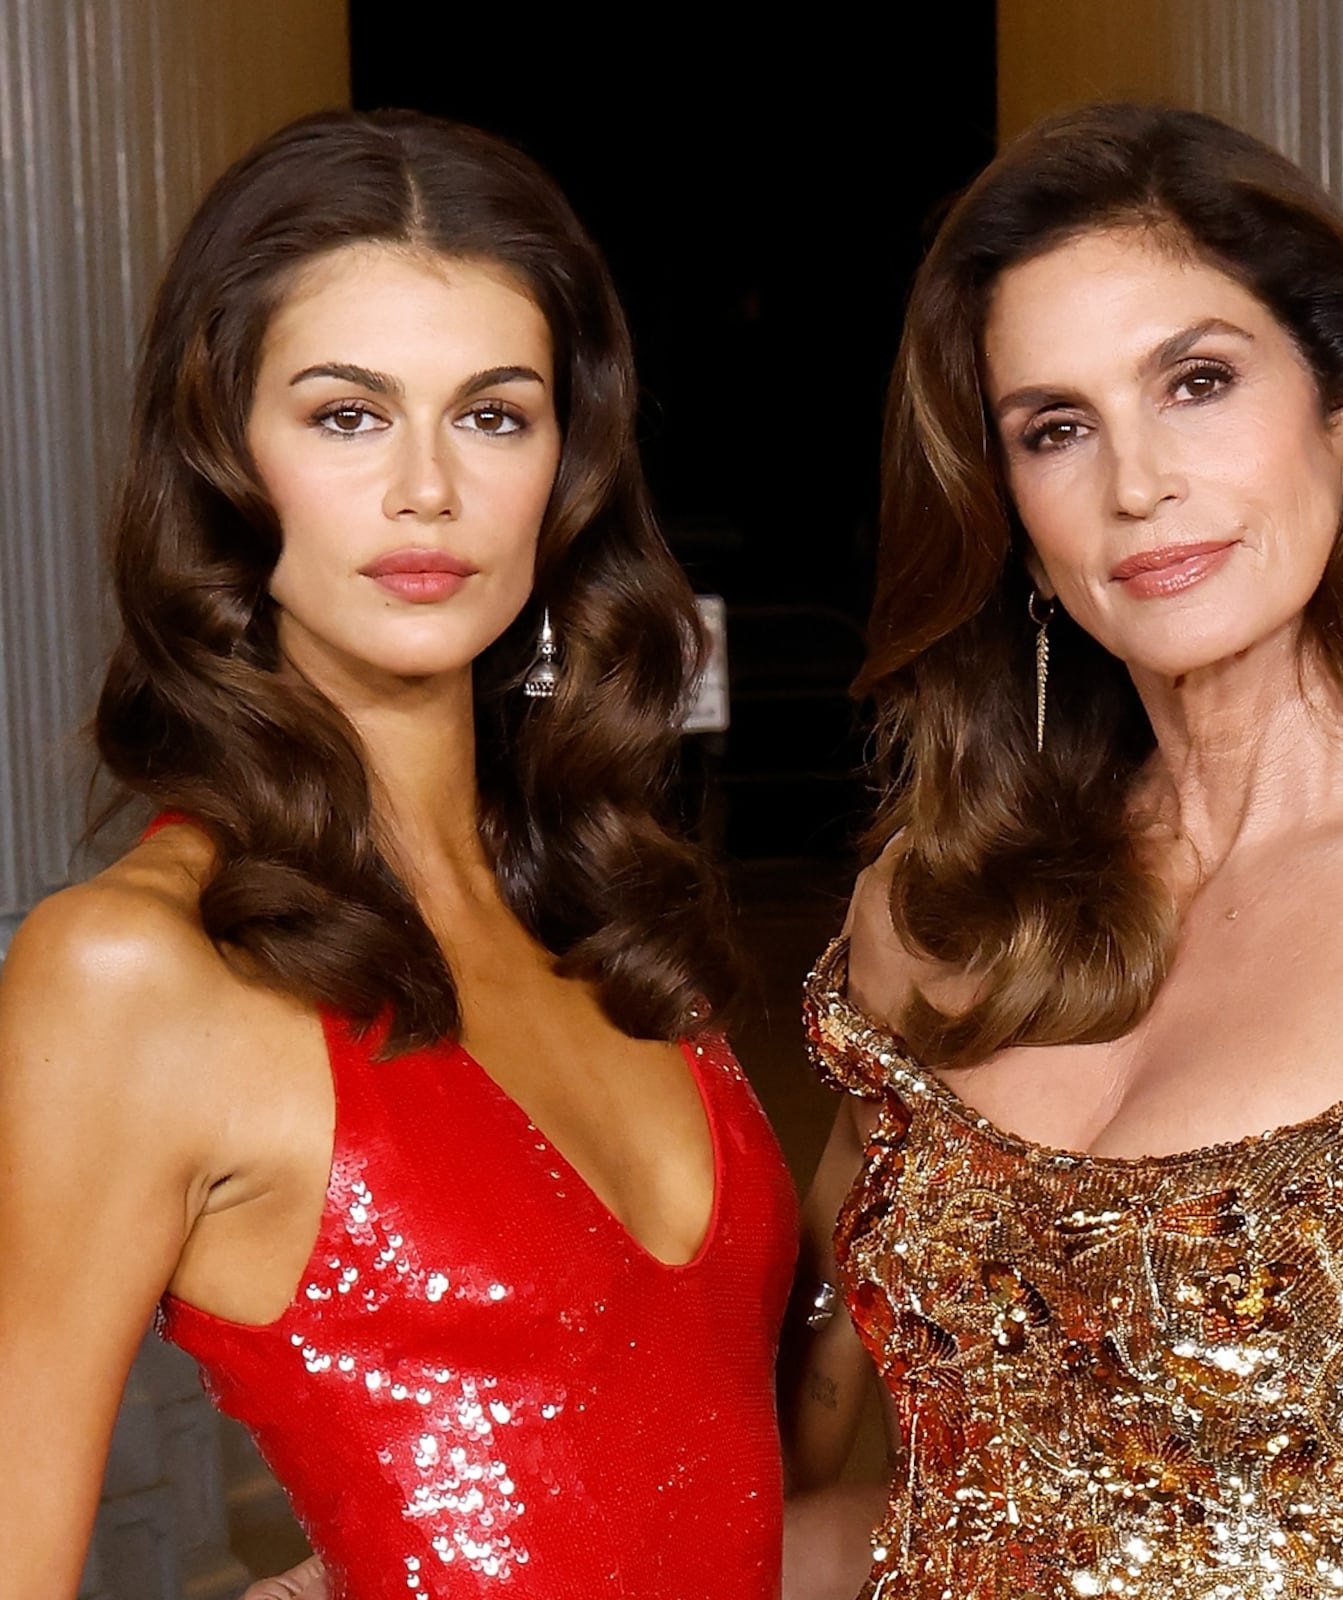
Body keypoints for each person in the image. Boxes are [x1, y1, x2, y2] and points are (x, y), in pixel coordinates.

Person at [783, 103, 1343, 1600]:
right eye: (1056, 427)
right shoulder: (937, 905)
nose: (1137, 483)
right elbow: (810, 1480)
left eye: (1199, 383)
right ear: (1017, 518)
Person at [0, 110, 797, 1600]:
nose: (426, 488)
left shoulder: (600, 909)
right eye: (346, 415)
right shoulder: (136, 971)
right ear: (227, 452)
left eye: (493, 414)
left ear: (566, 466)